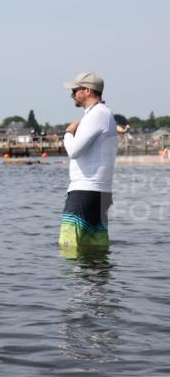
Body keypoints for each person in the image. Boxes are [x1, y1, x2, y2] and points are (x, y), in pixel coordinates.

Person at [58, 72, 118, 252]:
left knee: (69, 248)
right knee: (96, 254)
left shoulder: (97, 114)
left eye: (75, 90)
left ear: (87, 91)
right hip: (97, 193)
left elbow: (74, 151)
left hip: (85, 191)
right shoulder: (101, 113)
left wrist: (68, 133)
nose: (72, 94)